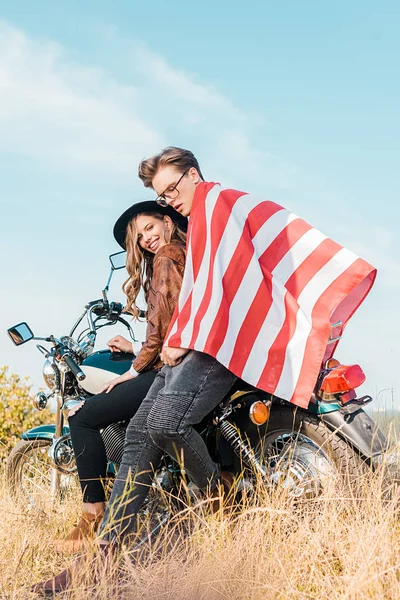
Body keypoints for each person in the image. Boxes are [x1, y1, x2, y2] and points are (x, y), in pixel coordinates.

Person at [33, 147, 376, 593]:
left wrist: (173, 340)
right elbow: (201, 288)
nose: (169, 199)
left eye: (172, 189)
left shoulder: (219, 204)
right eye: (162, 195)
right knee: (138, 432)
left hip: (219, 349)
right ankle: (102, 559)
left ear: (194, 174)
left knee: (164, 424)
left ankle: (219, 496)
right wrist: (167, 340)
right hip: (194, 349)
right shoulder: (204, 225)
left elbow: (225, 281)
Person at [56, 200, 187, 552]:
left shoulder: (166, 257)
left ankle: (92, 512)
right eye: (139, 235)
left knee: (82, 417)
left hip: (171, 368)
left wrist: (132, 369)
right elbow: (173, 320)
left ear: (166, 221)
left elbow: (161, 333)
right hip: (186, 358)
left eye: (149, 227)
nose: (146, 238)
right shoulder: (186, 252)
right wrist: (136, 347)